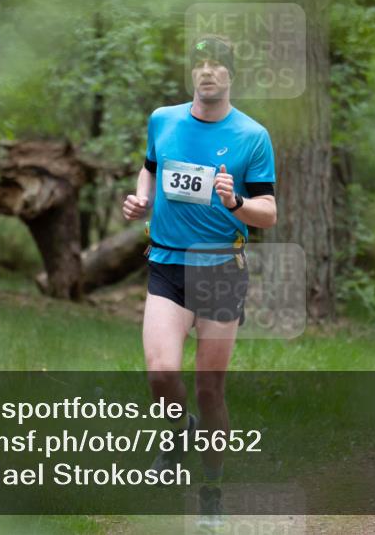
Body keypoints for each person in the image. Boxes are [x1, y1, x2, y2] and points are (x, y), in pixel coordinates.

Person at [121, 34, 277, 525]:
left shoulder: (253, 136)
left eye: (219, 65)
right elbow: (150, 169)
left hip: (220, 270)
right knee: (160, 373)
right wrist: (140, 197)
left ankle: (211, 491)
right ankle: (179, 431)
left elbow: (268, 213)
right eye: (201, 64)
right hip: (167, 263)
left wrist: (235, 203)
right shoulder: (163, 119)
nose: (209, 71)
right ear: (192, 73)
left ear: (231, 75)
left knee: (210, 390)